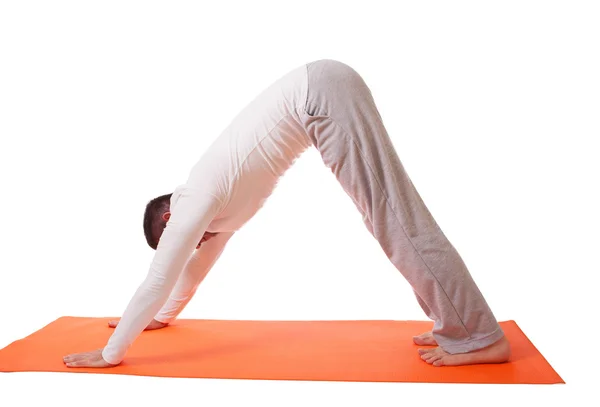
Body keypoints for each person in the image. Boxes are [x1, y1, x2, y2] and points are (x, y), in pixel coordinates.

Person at [63, 59, 511, 369]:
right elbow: (189, 273)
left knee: (395, 219)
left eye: (177, 238)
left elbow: (159, 277)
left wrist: (111, 352)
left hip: (321, 95)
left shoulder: (194, 200)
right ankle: (456, 322)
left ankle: (479, 336)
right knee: (388, 219)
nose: (188, 243)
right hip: (323, 92)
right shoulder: (217, 212)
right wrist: (160, 318)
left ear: (167, 220)